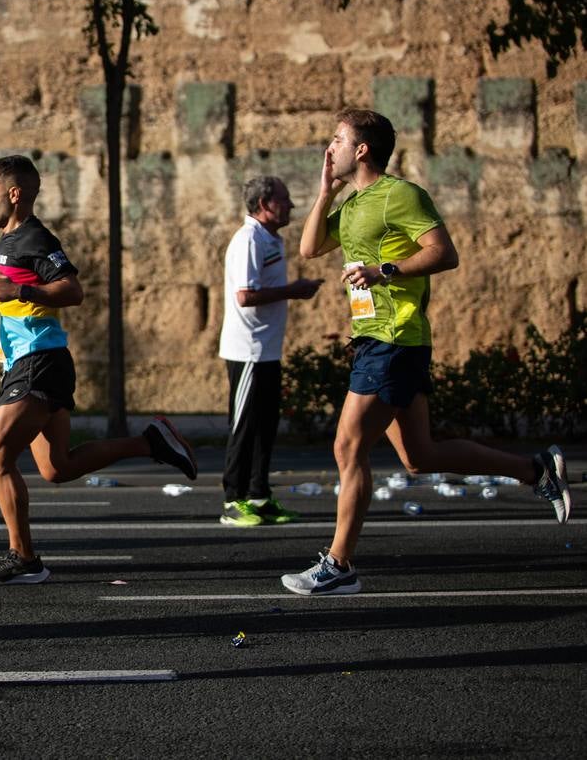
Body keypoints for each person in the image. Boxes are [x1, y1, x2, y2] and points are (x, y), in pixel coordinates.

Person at [282, 108, 571, 595]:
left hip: (396, 338)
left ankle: (339, 564)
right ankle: (534, 469)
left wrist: (385, 271)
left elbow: (444, 252)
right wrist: (326, 190)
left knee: (348, 447)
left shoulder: (400, 195)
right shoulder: (353, 204)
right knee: (420, 455)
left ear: (362, 149)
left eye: (337, 139)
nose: (328, 148)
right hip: (377, 339)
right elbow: (310, 248)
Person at [0, 155, 197, 586]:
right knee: (58, 467)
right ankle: (150, 442)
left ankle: (24, 559)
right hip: (31, 363)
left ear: (14, 194)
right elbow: (20, 292)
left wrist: (17, 288)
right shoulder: (9, 241)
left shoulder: (35, 237)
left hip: (38, 363)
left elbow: (71, 290)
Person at [217, 176, 323, 526]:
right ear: (263, 205)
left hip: (267, 350)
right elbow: (245, 296)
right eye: (284, 198)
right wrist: (293, 291)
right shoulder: (248, 239)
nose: (290, 205)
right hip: (247, 350)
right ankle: (234, 500)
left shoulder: (269, 238)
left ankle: (259, 495)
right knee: (244, 426)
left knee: (265, 426)